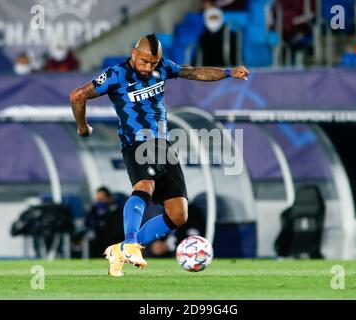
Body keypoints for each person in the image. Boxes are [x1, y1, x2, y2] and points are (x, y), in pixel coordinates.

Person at [69, 33, 249, 277]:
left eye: (153, 63)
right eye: (144, 61)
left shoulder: (162, 67)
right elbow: (77, 96)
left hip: (164, 143)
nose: (149, 67)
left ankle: (120, 250)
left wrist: (228, 73)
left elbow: (193, 72)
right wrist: (82, 127)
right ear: (134, 53)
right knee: (145, 184)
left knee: (178, 214)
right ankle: (131, 242)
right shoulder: (117, 74)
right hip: (137, 141)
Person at [85, 186, 124, 258]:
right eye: (98, 198)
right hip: (99, 237)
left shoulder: (117, 208)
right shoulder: (94, 208)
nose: (99, 200)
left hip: (114, 237)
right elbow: (89, 221)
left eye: (102, 198)